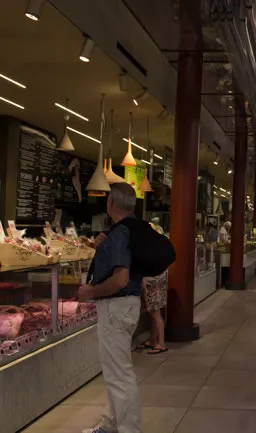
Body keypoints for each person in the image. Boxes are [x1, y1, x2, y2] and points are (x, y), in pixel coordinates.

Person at [78, 183, 143, 433]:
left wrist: (90, 292)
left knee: (120, 375)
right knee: (114, 372)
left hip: (116, 307)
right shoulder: (131, 230)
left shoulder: (119, 233)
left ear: (111, 203)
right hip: (125, 306)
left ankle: (128, 429)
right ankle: (111, 423)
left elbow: (120, 279)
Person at [137, 269, 169, 355]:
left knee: (155, 313)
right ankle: (153, 339)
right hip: (159, 277)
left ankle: (161, 344)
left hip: (151, 280)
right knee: (154, 311)